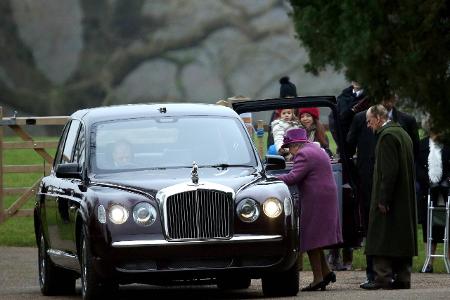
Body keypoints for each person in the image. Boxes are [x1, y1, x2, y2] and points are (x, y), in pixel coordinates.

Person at [276, 128, 342, 291]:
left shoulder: (303, 154)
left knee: (311, 237)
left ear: (295, 145)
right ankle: (325, 272)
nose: (289, 152)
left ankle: (317, 279)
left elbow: (293, 177)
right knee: (316, 237)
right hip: (325, 196)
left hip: (316, 199)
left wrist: (272, 179)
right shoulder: (315, 149)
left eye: (289, 147)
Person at [363, 104, 417, 290]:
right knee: (401, 237)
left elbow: (389, 171)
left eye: (370, 121)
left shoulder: (386, 137)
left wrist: (383, 199)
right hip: (404, 198)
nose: (369, 126)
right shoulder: (403, 134)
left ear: (378, 118)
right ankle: (403, 278)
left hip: (391, 197)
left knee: (381, 235)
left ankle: (382, 278)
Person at [416, 120, 450, 272]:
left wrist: (445, 181)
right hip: (427, 192)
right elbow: (416, 167)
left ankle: (448, 260)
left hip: (446, 191)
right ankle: (429, 262)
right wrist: (428, 180)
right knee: (428, 226)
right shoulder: (421, 145)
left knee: (447, 225)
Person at [267, 76, 298, 147]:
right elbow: (271, 137)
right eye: (287, 98)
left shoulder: (300, 112)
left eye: (292, 98)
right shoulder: (276, 114)